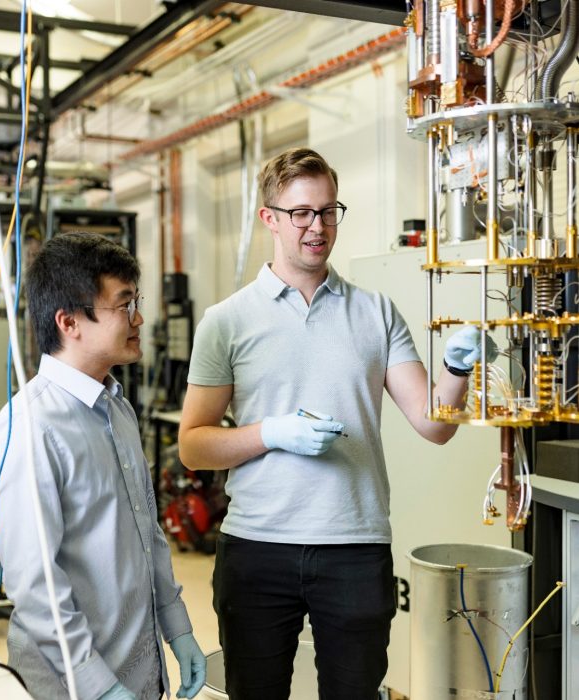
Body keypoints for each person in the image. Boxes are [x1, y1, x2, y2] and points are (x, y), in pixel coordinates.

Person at [178, 147, 496, 699]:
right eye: (300, 212)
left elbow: (434, 424)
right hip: (257, 547)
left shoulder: (375, 312)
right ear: (269, 218)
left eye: (328, 211)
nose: (317, 227)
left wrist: (455, 368)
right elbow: (193, 445)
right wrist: (270, 434)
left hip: (354, 544)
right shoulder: (225, 322)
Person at [0, 232, 206, 700]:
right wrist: (96, 686)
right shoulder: (29, 429)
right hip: (69, 686)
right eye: (123, 305)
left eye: (135, 301)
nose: (138, 318)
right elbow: (35, 583)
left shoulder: (116, 408)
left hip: (139, 670)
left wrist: (176, 626)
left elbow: (148, 533)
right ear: (69, 322)